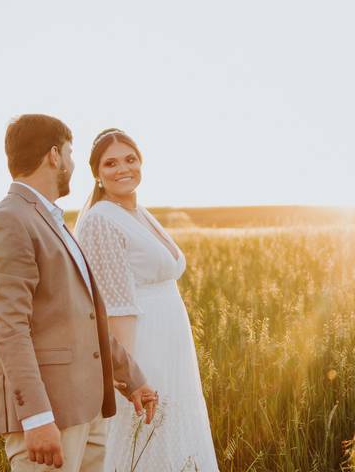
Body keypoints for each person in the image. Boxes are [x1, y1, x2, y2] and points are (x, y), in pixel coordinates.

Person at [0, 115, 159, 472]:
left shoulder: (52, 220)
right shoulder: (9, 221)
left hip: (86, 412)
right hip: (50, 418)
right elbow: (8, 329)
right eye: (70, 153)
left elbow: (85, 317)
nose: (72, 164)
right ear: (54, 155)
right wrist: (36, 417)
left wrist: (132, 378)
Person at [75, 128, 219, 471]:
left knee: (174, 430)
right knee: (143, 432)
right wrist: (126, 375)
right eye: (110, 163)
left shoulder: (138, 212)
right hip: (143, 346)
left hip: (171, 344)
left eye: (130, 159)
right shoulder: (100, 220)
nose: (123, 168)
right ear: (96, 173)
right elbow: (115, 304)